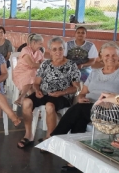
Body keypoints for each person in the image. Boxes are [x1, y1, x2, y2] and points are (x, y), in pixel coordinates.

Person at [49, 42, 119, 172]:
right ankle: (74, 162)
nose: (110, 58)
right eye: (107, 55)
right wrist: (81, 97)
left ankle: (55, 137)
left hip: (109, 110)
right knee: (79, 118)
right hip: (89, 106)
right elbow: (82, 92)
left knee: (78, 110)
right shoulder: (95, 73)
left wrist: (110, 99)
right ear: (101, 57)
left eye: (114, 55)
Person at [17, 37, 81, 149]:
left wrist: (62, 92)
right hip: (44, 93)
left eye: (60, 49)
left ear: (64, 50)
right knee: (26, 101)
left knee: (50, 106)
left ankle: (49, 137)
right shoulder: (45, 64)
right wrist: (37, 90)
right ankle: (29, 135)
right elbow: (36, 83)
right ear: (50, 51)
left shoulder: (71, 65)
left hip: (62, 96)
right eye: (54, 49)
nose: (58, 52)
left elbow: (76, 87)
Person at [12, 34, 44, 106]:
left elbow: (44, 62)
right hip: (20, 72)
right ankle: (23, 98)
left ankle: (24, 99)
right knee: (32, 75)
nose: (41, 46)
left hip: (32, 74)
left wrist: (42, 65)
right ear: (33, 43)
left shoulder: (39, 52)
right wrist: (42, 65)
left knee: (33, 85)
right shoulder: (25, 50)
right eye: (40, 44)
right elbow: (31, 64)